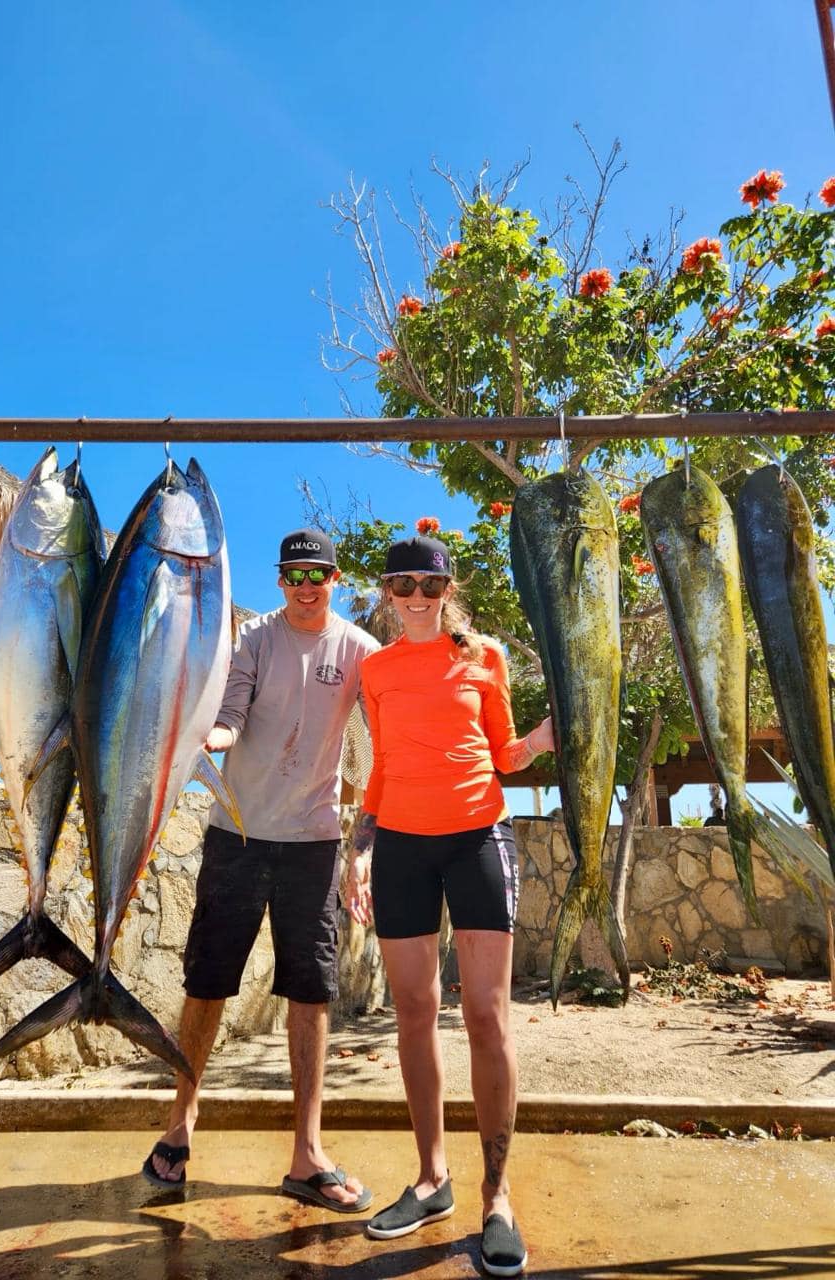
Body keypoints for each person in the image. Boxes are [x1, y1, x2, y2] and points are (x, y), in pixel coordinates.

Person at [143, 527, 378, 1213]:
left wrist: (364, 844)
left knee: (311, 992)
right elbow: (230, 712)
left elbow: (386, 726)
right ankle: (181, 1120)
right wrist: (212, 736)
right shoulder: (256, 639)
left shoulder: (359, 651)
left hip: (313, 841)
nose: (306, 587)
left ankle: (308, 1154)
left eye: (318, 575)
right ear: (280, 581)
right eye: (294, 575)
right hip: (237, 836)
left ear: (335, 580)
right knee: (208, 982)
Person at [345, 535, 554, 1278]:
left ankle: (496, 1198)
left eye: (427, 585)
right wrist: (359, 846)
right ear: (387, 591)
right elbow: (382, 766)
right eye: (402, 585)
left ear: (446, 587)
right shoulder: (374, 667)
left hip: (476, 841)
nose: (415, 597)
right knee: (411, 1009)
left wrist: (550, 734)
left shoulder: (485, 657)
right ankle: (432, 1180)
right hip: (399, 843)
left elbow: (505, 755)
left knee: (487, 1017)